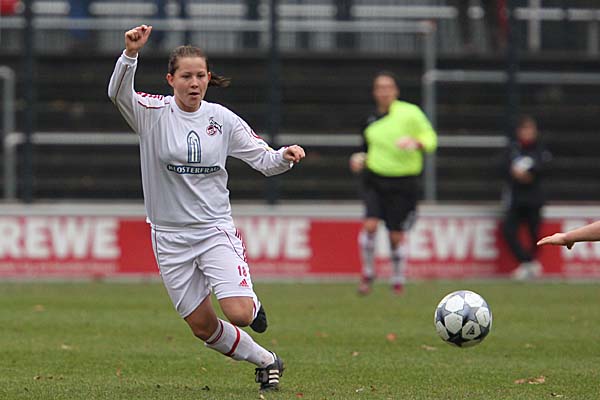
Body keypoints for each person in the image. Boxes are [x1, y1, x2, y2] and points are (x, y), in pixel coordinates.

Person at [108, 25, 305, 393]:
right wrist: (130, 54)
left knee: (239, 314)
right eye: (186, 76)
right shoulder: (152, 113)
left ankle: (252, 303)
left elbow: (263, 159)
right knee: (202, 327)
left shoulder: (222, 119)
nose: (194, 82)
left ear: (208, 78)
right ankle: (266, 360)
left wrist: (284, 156)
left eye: (201, 75)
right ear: (171, 80)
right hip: (168, 237)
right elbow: (117, 93)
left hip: (213, 230)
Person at [349, 71, 437, 295]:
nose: (384, 92)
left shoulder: (410, 113)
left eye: (388, 87)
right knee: (370, 225)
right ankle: (368, 273)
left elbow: (430, 139)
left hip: (403, 182)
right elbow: (365, 150)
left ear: (396, 91)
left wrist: (416, 142)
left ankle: (397, 277)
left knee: (395, 236)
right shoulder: (369, 120)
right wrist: (358, 159)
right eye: (380, 87)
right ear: (374, 92)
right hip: (375, 178)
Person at [501, 115, 552, 280]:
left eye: (530, 129)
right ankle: (527, 262)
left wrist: (530, 174)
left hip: (534, 199)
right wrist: (515, 174)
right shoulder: (512, 149)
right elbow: (502, 166)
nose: (527, 132)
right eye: (524, 129)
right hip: (516, 200)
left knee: (535, 234)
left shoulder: (540, 148)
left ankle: (531, 263)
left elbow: (545, 167)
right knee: (508, 231)